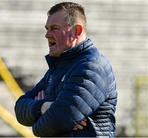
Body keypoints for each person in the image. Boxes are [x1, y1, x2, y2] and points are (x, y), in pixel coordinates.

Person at [15, 2, 117, 137]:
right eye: (47, 29)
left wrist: (38, 120)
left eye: (54, 28)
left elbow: (56, 120)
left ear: (77, 31)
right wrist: (44, 106)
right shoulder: (59, 67)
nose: (47, 35)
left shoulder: (91, 66)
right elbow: (19, 108)